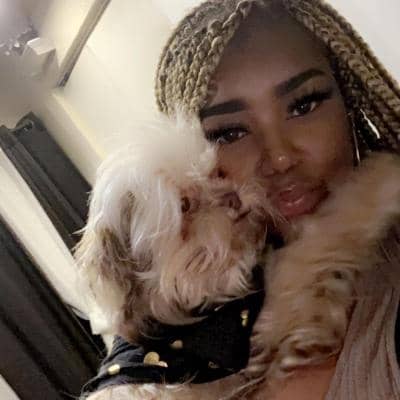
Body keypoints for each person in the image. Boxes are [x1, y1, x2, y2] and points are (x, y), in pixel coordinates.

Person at [83, 0, 400, 399]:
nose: (280, 158)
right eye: (229, 133)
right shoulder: (145, 366)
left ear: (350, 103)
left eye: (304, 105)